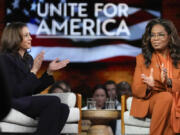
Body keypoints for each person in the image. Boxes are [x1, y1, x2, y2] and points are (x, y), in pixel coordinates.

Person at [0, 22, 70, 135]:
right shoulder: (4, 59)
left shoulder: (28, 59)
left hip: (24, 101)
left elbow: (31, 88)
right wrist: (33, 71)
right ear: (15, 38)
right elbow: (14, 92)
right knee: (54, 101)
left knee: (63, 108)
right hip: (12, 101)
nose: (31, 38)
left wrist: (49, 72)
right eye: (26, 35)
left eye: (29, 35)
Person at [130, 18, 180, 135]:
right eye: (152, 35)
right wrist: (148, 86)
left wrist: (169, 81)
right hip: (151, 101)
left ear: (169, 37)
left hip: (175, 99)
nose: (155, 39)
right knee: (165, 97)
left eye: (160, 35)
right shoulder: (142, 59)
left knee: (168, 99)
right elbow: (136, 90)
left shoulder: (178, 59)